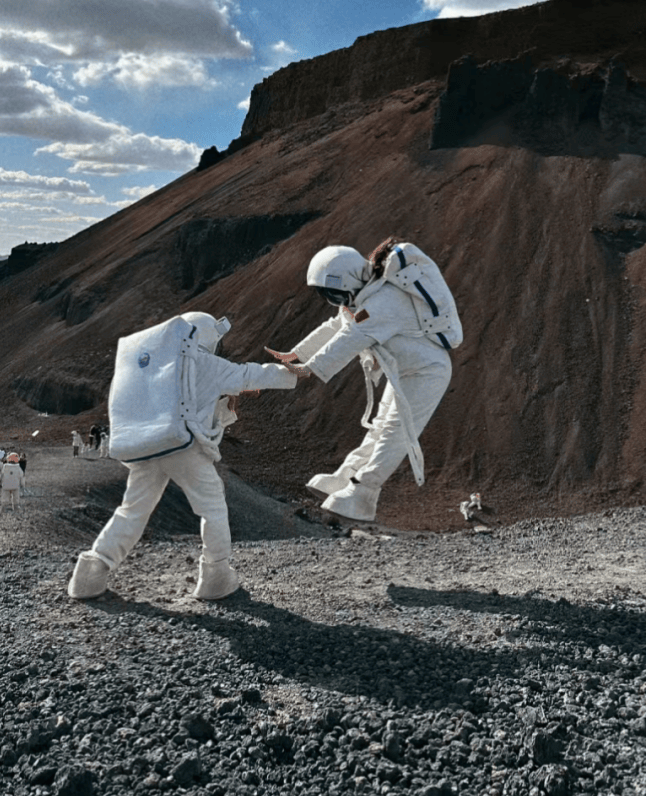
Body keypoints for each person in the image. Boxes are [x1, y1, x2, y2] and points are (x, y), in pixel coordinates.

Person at [67, 311, 297, 602]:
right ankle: (216, 577)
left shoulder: (160, 368)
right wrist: (297, 371)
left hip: (149, 447)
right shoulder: (205, 363)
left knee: (132, 510)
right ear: (208, 337)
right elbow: (251, 374)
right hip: (183, 448)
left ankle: (90, 573)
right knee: (211, 505)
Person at [267, 237, 462, 523]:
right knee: (380, 427)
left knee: (395, 432)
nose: (336, 303)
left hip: (427, 373)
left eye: (335, 295)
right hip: (405, 371)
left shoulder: (383, 301)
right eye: (329, 297)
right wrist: (297, 353)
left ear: (351, 280)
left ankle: (363, 495)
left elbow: (351, 338)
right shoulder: (362, 297)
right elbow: (338, 324)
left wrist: (309, 368)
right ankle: (345, 478)